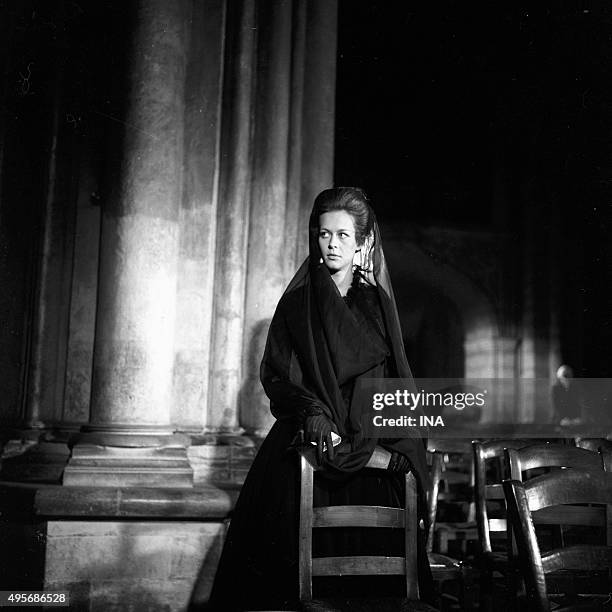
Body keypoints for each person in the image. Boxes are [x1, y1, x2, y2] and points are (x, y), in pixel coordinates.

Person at [205, 187, 433, 611]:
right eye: (325, 234)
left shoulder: (377, 306)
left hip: (367, 443)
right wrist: (314, 414)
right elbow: (278, 373)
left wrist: (377, 440)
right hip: (307, 439)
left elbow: (389, 379)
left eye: (343, 236)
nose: (332, 244)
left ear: (363, 242)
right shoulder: (297, 305)